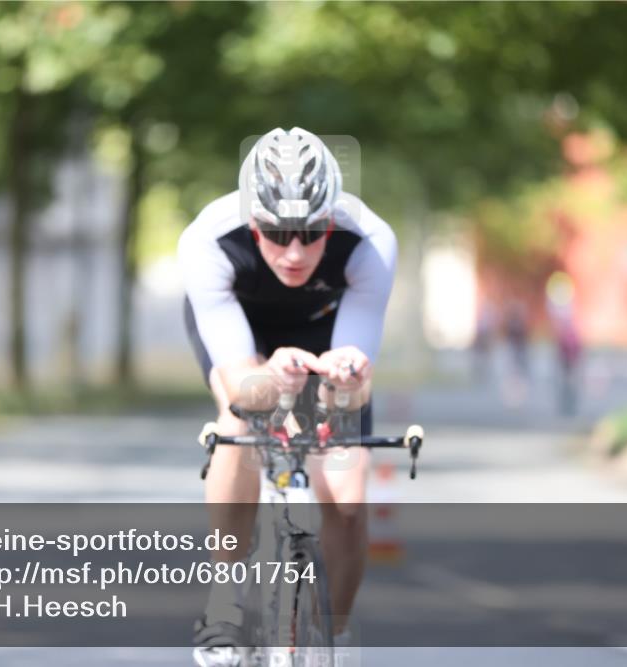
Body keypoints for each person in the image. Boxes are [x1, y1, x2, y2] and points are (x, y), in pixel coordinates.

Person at [178, 128, 396, 666]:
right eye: (277, 234)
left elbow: (353, 382)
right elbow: (242, 387)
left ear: (331, 221)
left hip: (328, 336)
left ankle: (338, 634)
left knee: (345, 495)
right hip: (243, 335)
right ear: (253, 225)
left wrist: (344, 381)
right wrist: (268, 380)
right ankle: (225, 604)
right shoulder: (208, 240)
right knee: (240, 421)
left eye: (311, 232)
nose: (295, 252)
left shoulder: (369, 241)